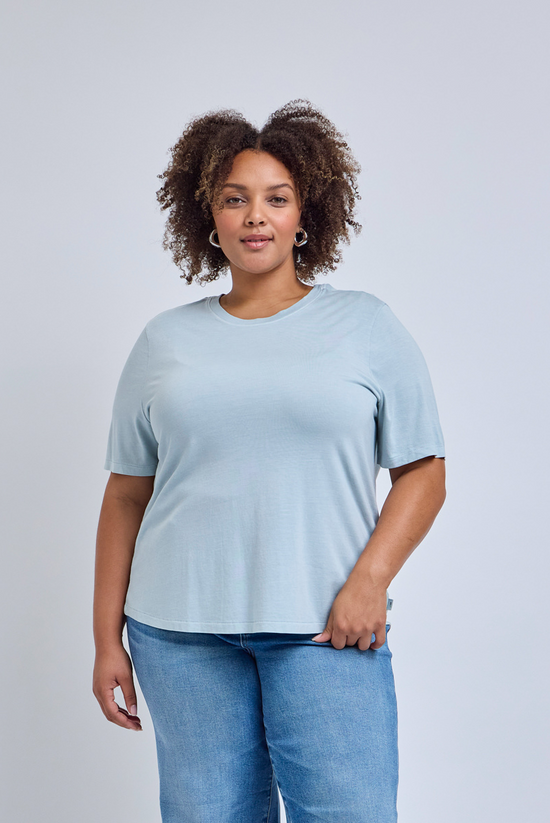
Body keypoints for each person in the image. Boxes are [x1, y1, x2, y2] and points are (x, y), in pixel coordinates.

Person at [92, 99, 446, 823]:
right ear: (210, 219)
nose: (256, 216)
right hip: (179, 633)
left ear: (304, 215)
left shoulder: (366, 326)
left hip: (326, 626)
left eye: (276, 198)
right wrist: (106, 640)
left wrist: (369, 582)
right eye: (235, 199)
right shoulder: (164, 342)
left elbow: (424, 472)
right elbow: (127, 493)